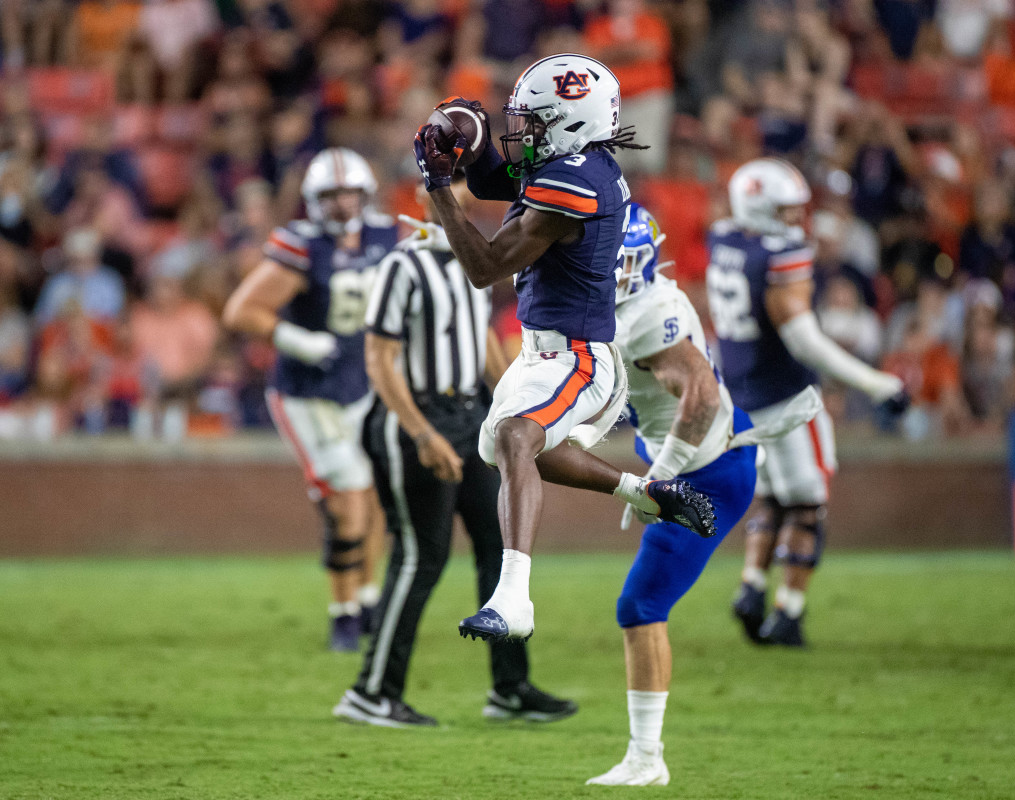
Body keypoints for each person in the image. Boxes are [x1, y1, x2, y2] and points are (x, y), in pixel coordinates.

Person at [412, 55, 716, 644]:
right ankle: (642, 493)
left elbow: (486, 267)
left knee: (515, 437)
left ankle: (514, 601)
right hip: (543, 352)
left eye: (531, 121)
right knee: (514, 448)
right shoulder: (574, 164)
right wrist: (465, 140)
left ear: (567, 124)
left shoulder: (575, 182)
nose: (518, 131)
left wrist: (438, 189)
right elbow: (498, 178)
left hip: (579, 357)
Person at [587, 203, 819, 786]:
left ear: (646, 262)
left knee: (639, 606)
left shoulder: (646, 314)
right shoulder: (644, 299)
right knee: (641, 606)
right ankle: (645, 756)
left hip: (705, 475)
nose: (614, 275)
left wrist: (658, 477)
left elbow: (704, 397)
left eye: (625, 264)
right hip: (711, 456)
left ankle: (647, 758)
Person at [333, 180, 577, 728]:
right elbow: (379, 360)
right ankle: (372, 691)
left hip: (470, 416)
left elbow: (484, 346)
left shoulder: (475, 259)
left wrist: (515, 407)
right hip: (416, 418)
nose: (458, 196)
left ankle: (510, 687)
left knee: (501, 548)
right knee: (422, 555)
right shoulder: (403, 265)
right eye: (447, 188)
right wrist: (422, 433)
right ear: (423, 197)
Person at [706, 158, 906, 647]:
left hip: (742, 393)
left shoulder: (726, 238)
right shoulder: (780, 253)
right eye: (786, 210)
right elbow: (803, 340)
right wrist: (878, 383)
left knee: (772, 497)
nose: (796, 220)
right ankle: (788, 613)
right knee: (808, 505)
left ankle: (752, 585)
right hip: (788, 397)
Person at [222, 148, 390, 652]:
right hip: (308, 391)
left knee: (375, 501)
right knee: (349, 503)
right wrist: (301, 341)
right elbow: (241, 311)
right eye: (332, 195)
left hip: (364, 383)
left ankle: (368, 600)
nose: (342, 204)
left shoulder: (388, 235)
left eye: (349, 193)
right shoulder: (303, 246)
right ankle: (342, 613)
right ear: (314, 201)